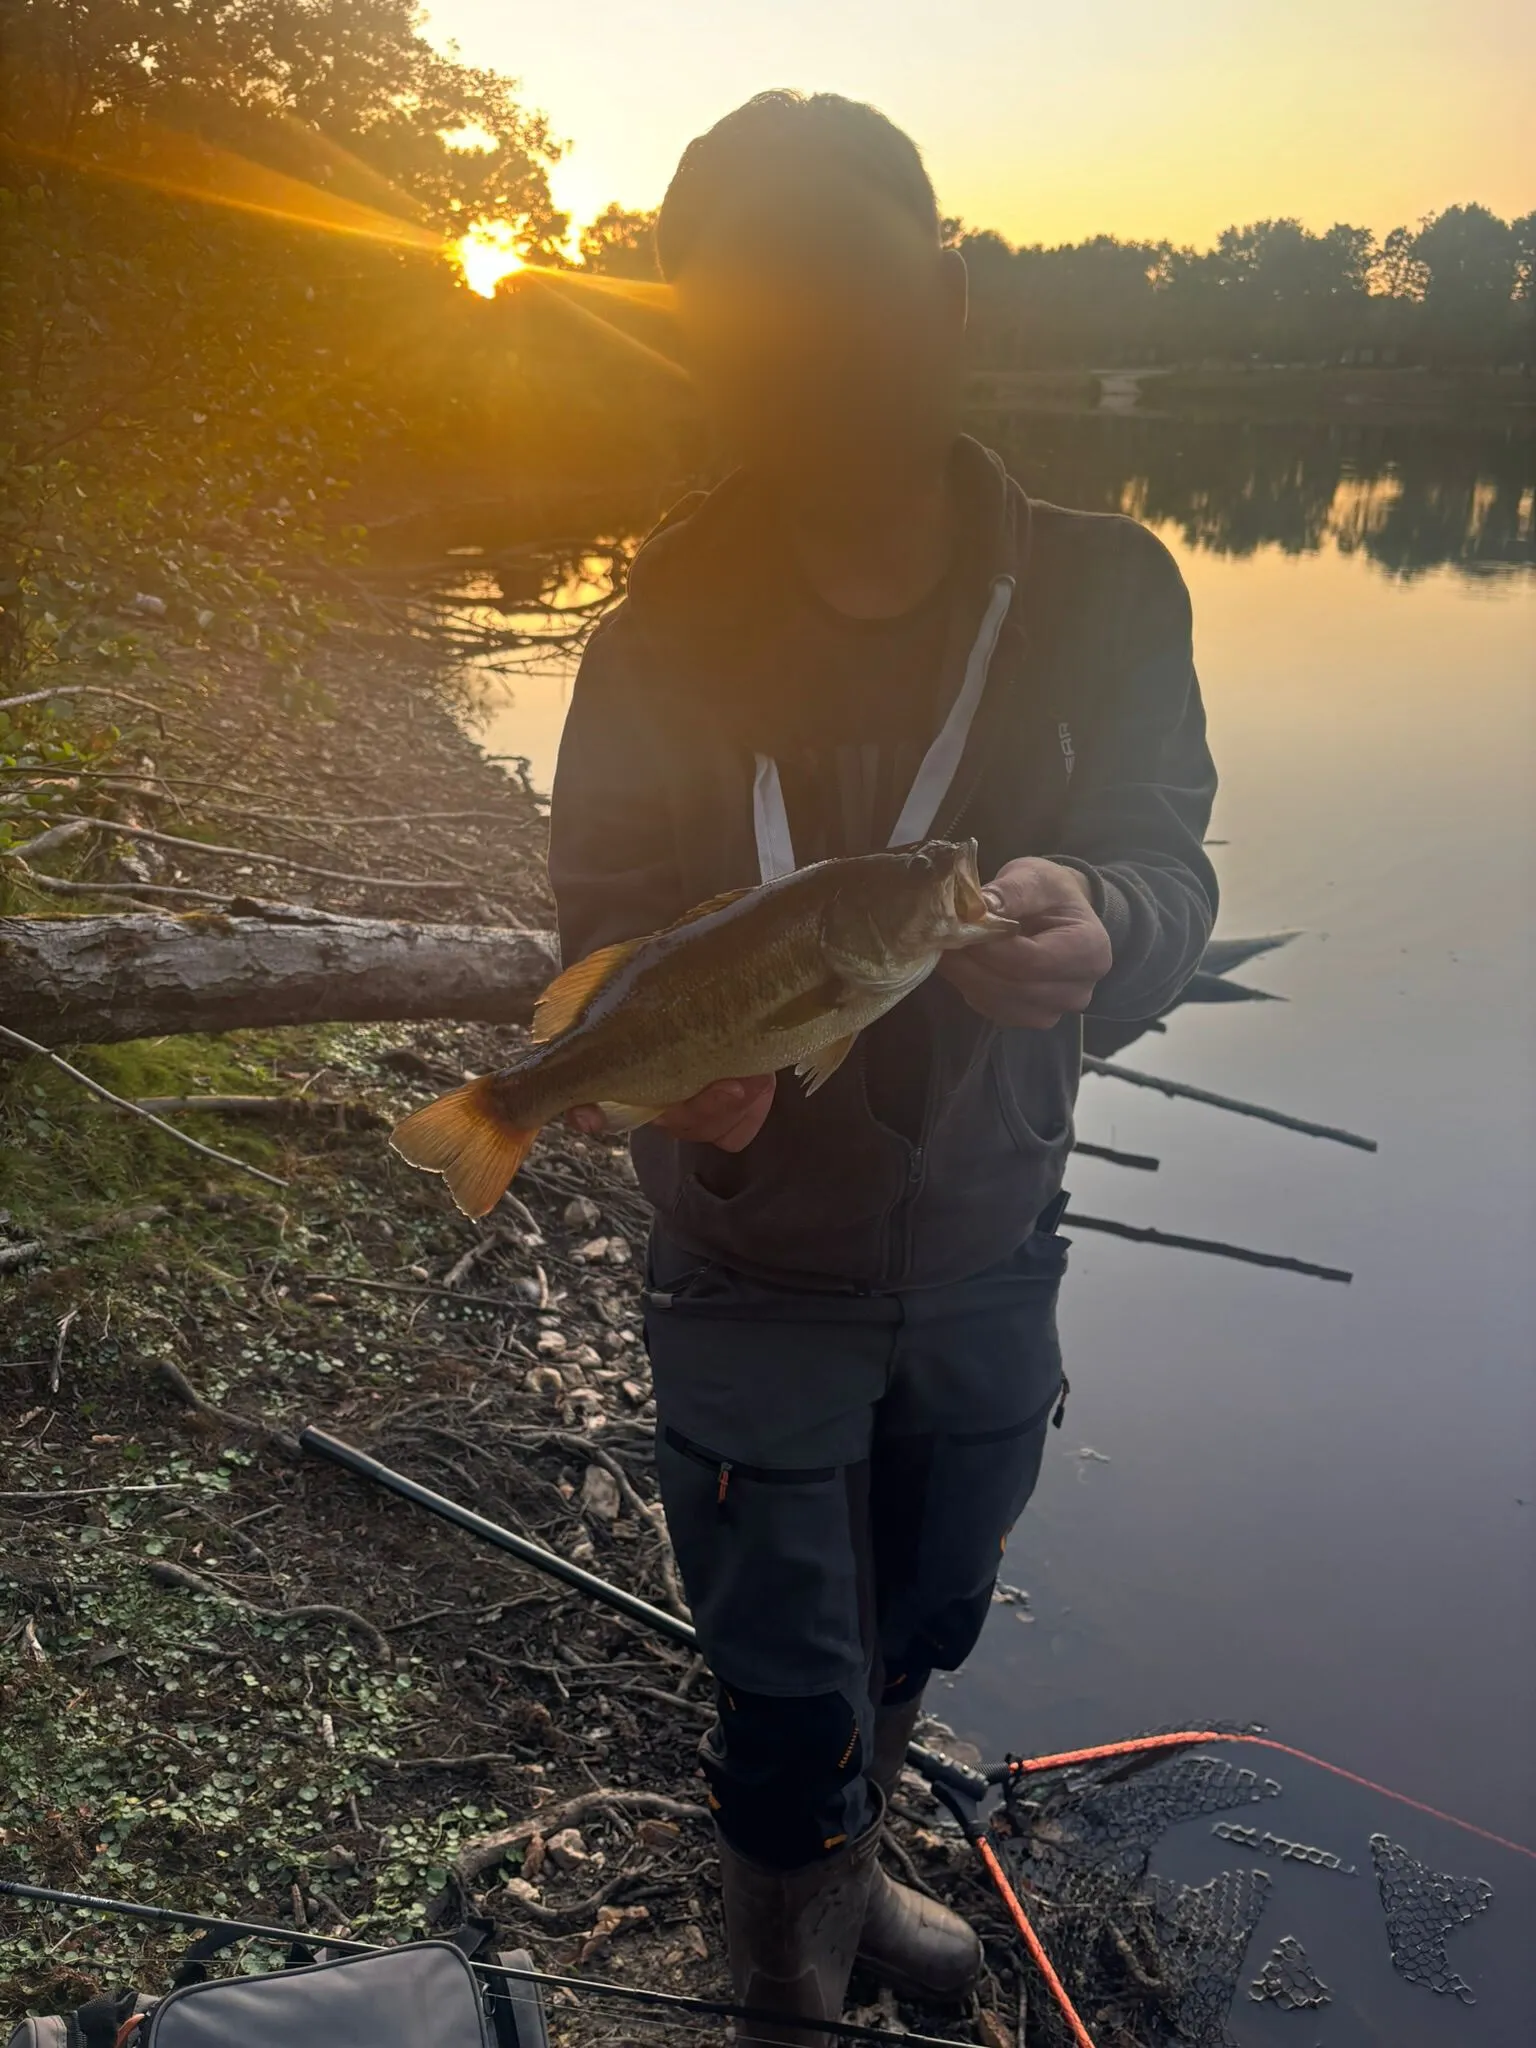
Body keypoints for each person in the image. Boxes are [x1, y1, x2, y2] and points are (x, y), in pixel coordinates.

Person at [549, 91, 1218, 2043]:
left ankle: (857, 1870)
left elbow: (1169, 865)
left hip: (996, 1230)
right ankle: (778, 1967)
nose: (813, 370)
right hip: (748, 1246)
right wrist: (670, 1085)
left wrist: (1112, 929)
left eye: (848, 305)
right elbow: (602, 917)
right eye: (753, 337)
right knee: (781, 1658)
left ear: (944, 295)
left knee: (926, 1600)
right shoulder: (652, 630)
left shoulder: (1110, 594)